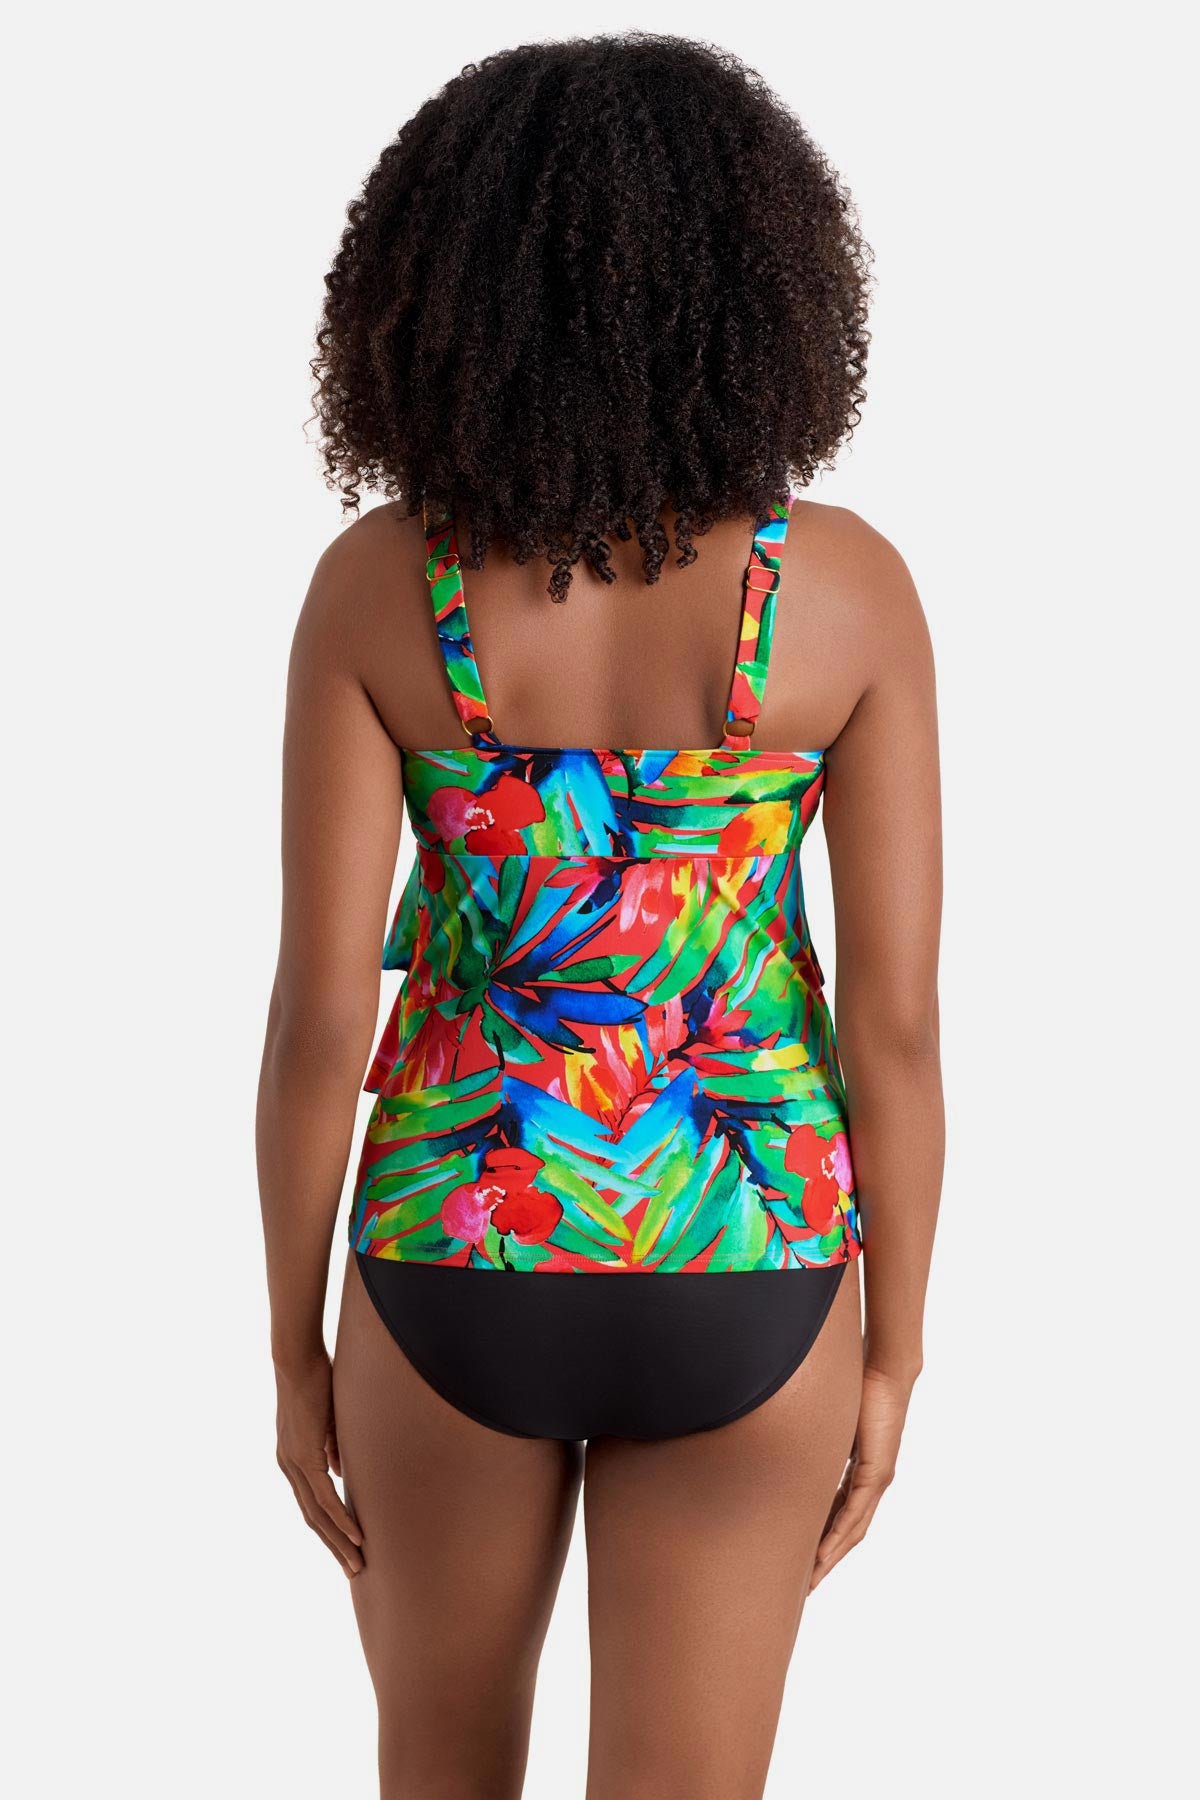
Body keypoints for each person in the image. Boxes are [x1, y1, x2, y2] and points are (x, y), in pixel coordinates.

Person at [257, 32, 943, 1800]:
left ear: (435, 294)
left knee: (438, 1776)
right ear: (763, 287)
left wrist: (291, 1348)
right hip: (750, 1253)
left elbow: (322, 1017)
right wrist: (895, 1353)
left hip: (455, 1243)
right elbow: (894, 1030)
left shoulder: (383, 586)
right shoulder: (843, 591)